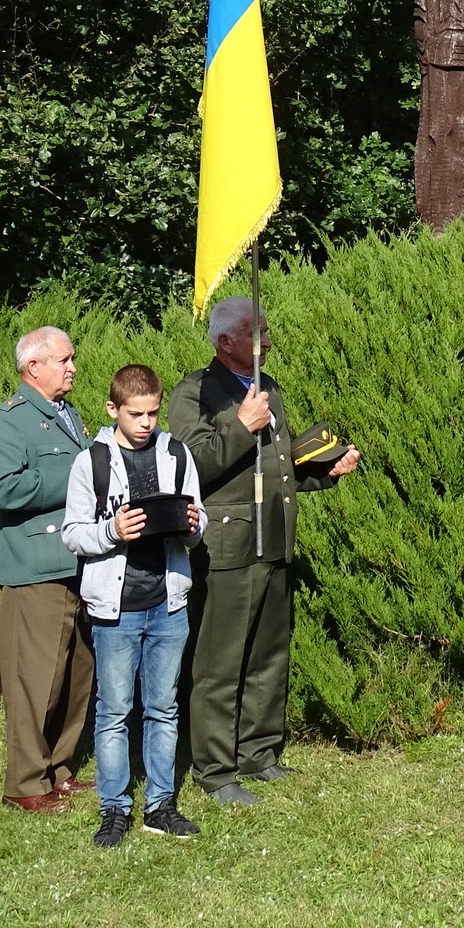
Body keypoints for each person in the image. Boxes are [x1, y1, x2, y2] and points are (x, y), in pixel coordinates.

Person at [171, 296, 360, 805]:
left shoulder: (268, 388)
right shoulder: (194, 392)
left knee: (268, 654)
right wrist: (241, 424)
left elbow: (275, 470)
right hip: (228, 543)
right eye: (256, 332)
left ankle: (258, 753)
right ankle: (215, 768)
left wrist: (322, 471)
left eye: (267, 330)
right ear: (225, 341)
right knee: (220, 659)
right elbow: (192, 464)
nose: (267, 341)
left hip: (273, 535)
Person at [64, 365, 206, 846]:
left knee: (164, 708)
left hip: (168, 602)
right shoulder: (92, 461)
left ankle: (160, 804)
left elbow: (198, 517)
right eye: (136, 414)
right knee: (115, 711)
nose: (146, 423)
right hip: (115, 607)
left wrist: (191, 525)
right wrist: (111, 532)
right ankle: (114, 808)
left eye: (152, 413)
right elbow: (72, 533)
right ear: (113, 410)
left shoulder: (177, 454)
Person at [0, 325, 94, 812]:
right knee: (36, 679)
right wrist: (78, 475)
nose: (72, 367)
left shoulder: (69, 414)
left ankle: (59, 768)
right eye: (64, 360)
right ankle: (26, 782)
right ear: (34, 367)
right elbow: (1, 489)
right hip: (36, 567)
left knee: (76, 674)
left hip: (80, 561)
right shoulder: (8, 422)